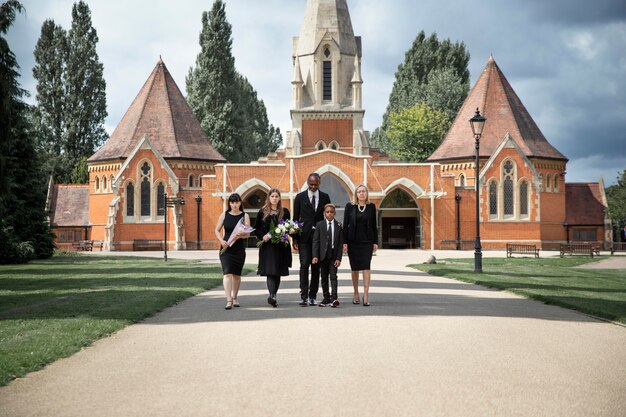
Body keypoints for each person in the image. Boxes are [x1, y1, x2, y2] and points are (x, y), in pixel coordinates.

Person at [293, 173, 331, 306]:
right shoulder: (299, 197)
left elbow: (327, 218)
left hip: (319, 238)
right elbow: (295, 219)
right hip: (304, 237)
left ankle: (313, 295)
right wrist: (295, 239)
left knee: (316, 267)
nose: (313, 187)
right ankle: (303, 296)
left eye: (316, 184)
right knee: (304, 265)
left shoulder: (325, 197)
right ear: (307, 182)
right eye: (311, 184)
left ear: (319, 183)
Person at [254, 188, 292, 307]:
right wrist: (262, 236)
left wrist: (288, 232)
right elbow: (256, 229)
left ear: (279, 198)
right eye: (272, 196)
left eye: (276, 196)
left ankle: (273, 295)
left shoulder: (285, 212)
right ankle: (272, 295)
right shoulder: (262, 212)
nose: (274, 198)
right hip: (268, 247)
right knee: (270, 271)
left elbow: (287, 226)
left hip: (281, 246)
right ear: (269, 198)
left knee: (278, 272)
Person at [343, 184, 378, 306]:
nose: (362, 194)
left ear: (367, 193)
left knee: (366, 267)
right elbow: (345, 225)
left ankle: (366, 295)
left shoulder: (371, 207)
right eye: (359, 192)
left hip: (367, 242)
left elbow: (374, 225)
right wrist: (345, 242)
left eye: (364, 191)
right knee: (354, 268)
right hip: (353, 241)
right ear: (356, 194)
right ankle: (356, 293)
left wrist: (375, 242)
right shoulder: (350, 207)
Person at [215, 193, 251, 310]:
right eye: (232, 202)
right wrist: (221, 240)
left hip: (239, 249)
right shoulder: (224, 215)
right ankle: (228, 300)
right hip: (226, 247)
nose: (234, 205)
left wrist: (241, 235)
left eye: (237, 202)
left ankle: (235, 298)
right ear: (229, 203)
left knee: (236, 275)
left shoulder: (245, 216)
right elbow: (216, 230)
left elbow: (248, 234)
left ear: (240, 203)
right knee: (227, 273)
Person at [312, 203, 343, 307]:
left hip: (334, 255)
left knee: (333, 276)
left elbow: (340, 244)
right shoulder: (319, 225)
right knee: (324, 277)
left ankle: (334, 298)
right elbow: (316, 241)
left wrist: (339, 258)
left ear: (334, 213)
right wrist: (315, 256)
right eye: (327, 212)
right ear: (324, 213)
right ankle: (326, 297)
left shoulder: (339, 226)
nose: (329, 214)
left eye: (331, 212)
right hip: (322, 256)